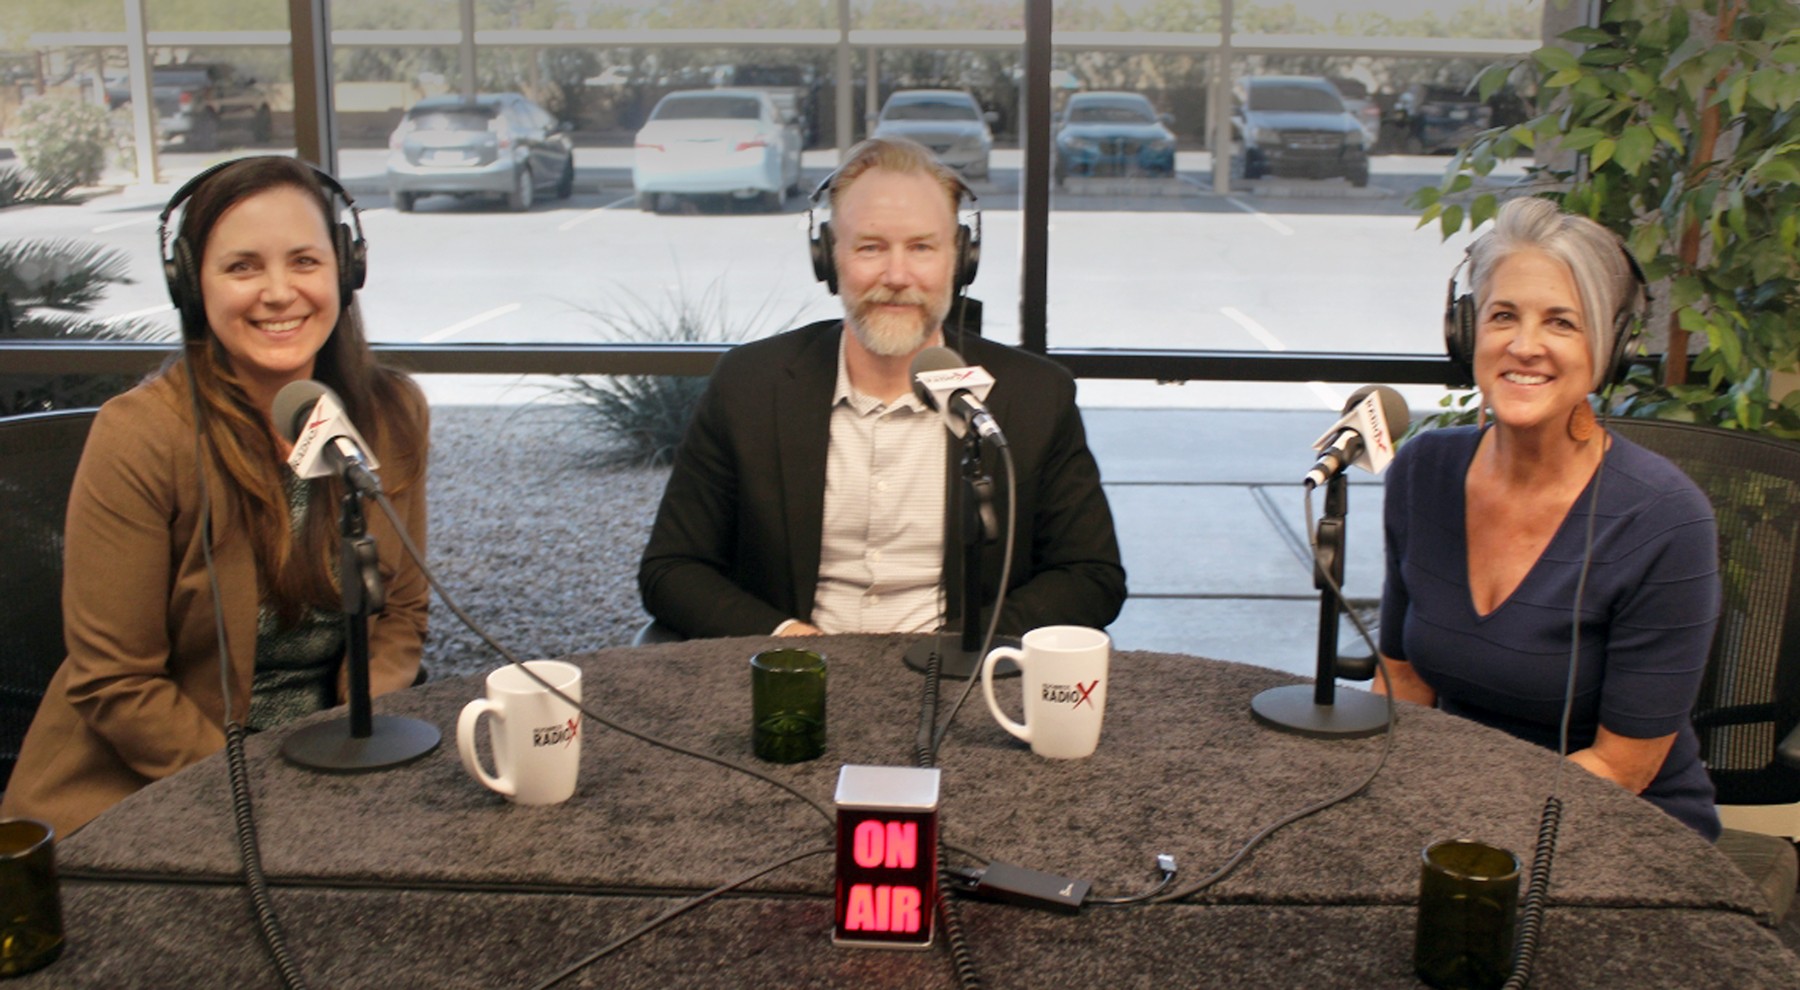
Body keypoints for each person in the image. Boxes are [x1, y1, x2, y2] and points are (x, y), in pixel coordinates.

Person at [1, 157, 429, 838]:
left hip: (337, 773)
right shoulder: (142, 435)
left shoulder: (389, 413)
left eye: (305, 262)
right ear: (191, 285)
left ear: (346, 271)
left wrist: (355, 734)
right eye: (242, 268)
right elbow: (115, 682)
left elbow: (401, 610)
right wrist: (265, 794)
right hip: (160, 784)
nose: (280, 292)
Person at [639, 137, 1125, 638]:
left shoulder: (1035, 396)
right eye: (870, 247)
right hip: (795, 682)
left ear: (960, 259)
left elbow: (1091, 576)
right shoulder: (750, 385)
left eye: (921, 247)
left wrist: (960, 645)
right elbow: (671, 570)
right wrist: (787, 640)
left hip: (961, 680)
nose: (897, 275)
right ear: (828, 257)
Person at [1375, 197, 1721, 839]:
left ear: (1610, 347)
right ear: (1467, 331)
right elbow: (1403, 682)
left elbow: (1625, 766)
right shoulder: (1423, 472)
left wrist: (1461, 826)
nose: (1524, 346)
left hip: (1622, 828)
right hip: (1451, 818)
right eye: (1504, 316)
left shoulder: (1666, 521)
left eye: (1562, 323)